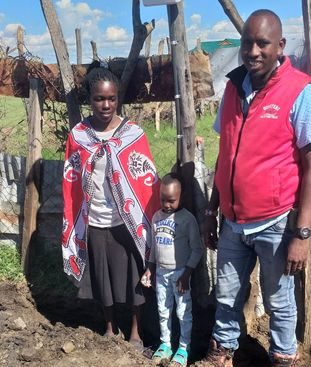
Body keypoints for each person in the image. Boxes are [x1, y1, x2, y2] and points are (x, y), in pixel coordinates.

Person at [204, 9, 311, 367]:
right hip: (233, 221)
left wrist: (303, 233)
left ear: (279, 46)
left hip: (276, 222)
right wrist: (211, 210)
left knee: (279, 300)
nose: (253, 51)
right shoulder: (233, 88)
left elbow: (310, 167)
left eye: (262, 43)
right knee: (227, 295)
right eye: (247, 43)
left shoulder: (299, 91)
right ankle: (222, 354)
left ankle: (282, 357)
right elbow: (224, 155)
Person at [61, 61, 160, 351]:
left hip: (127, 220)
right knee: (101, 276)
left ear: (118, 99)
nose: (106, 104)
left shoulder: (133, 135)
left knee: (133, 279)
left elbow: (146, 177)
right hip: (94, 219)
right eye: (99, 99)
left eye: (111, 98)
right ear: (89, 100)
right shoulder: (78, 136)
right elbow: (70, 179)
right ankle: (108, 327)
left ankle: (135, 332)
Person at [141, 172, 204, 367]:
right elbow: (154, 248)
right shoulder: (156, 217)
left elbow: (197, 249)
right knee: (163, 309)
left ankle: (184, 347)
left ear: (181, 197)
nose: (166, 204)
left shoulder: (187, 220)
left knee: (183, 312)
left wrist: (187, 274)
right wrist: (150, 269)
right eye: (163, 199)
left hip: (180, 274)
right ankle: (166, 344)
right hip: (161, 273)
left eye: (171, 200)